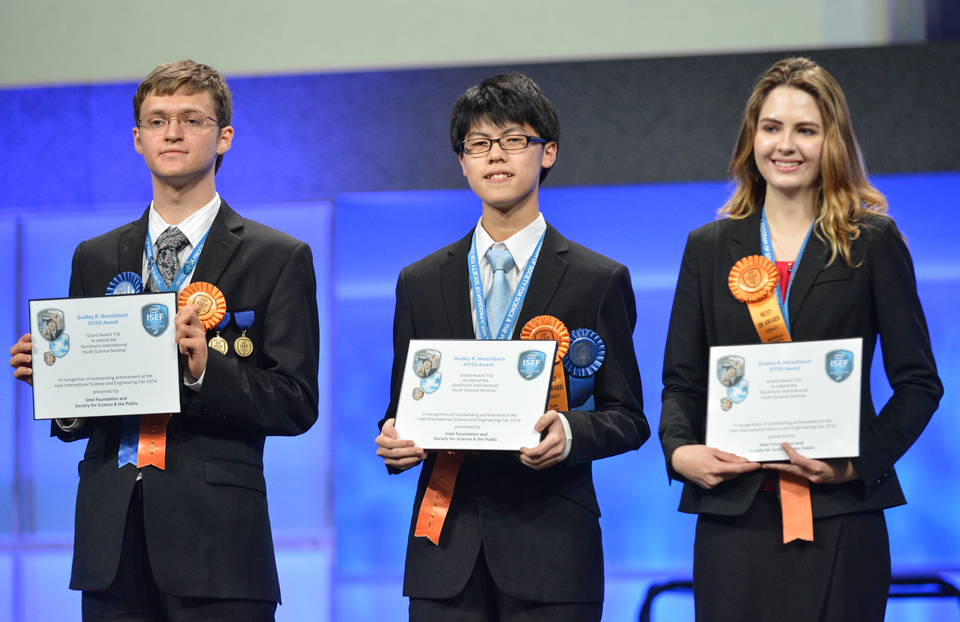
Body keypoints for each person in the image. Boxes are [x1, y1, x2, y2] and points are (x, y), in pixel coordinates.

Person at [9, 60, 319, 621]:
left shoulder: (278, 257)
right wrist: (56, 384)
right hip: (111, 539)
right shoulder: (95, 256)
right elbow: (81, 414)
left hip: (220, 542)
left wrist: (206, 371)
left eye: (191, 119)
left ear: (223, 136)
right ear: (137, 139)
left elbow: (296, 402)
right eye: (156, 121)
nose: (171, 132)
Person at [659, 57, 943, 622]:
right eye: (772, 128)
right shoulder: (708, 247)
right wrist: (679, 450)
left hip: (841, 517)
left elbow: (918, 385)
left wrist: (855, 465)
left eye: (805, 130)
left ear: (830, 141)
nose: (785, 145)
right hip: (733, 521)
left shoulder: (873, 242)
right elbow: (680, 383)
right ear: (752, 137)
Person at [374, 73, 648, 621]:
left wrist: (569, 432)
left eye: (514, 140)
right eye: (478, 144)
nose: (495, 156)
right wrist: (394, 442)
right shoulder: (420, 281)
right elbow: (404, 406)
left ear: (547, 153)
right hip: (444, 551)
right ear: (462, 161)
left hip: (552, 550)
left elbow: (629, 417)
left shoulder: (596, 279)